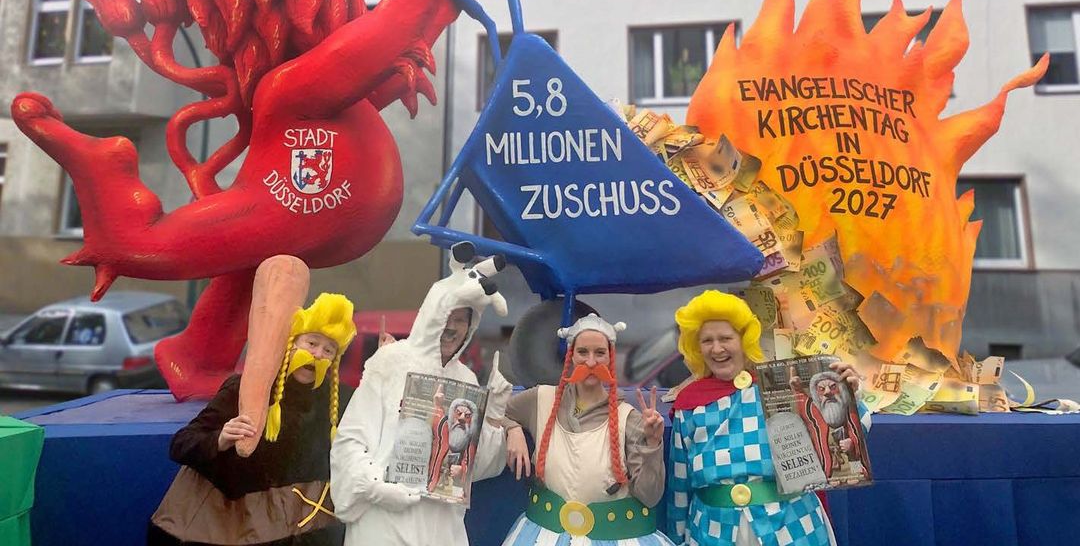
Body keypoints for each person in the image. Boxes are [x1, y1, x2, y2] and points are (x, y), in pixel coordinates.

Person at [330, 244, 512, 546]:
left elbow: (476, 468)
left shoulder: (465, 379)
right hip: (386, 521)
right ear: (432, 315)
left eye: (462, 320)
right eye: (448, 316)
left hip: (441, 527)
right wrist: (376, 486)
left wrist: (493, 414)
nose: (452, 328)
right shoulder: (390, 362)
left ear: (471, 325)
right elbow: (349, 441)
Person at [148, 292, 357, 546]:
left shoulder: (338, 400)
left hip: (303, 532)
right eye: (311, 343)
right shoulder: (244, 388)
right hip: (230, 529)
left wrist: (387, 362)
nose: (317, 354)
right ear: (291, 343)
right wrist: (220, 439)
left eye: (329, 350)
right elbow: (181, 444)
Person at [666, 290, 868, 546]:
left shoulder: (781, 388)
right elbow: (679, 484)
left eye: (726, 338)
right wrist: (676, 538)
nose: (717, 348)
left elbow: (841, 435)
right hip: (713, 532)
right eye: (707, 340)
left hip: (790, 527)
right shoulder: (689, 403)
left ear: (744, 340)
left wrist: (851, 395)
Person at [501, 313, 676, 546]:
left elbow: (650, 496)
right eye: (583, 352)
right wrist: (512, 428)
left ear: (610, 358)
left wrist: (653, 444)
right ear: (570, 356)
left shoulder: (629, 419)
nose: (591, 362)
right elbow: (493, 410)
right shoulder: (540, 399)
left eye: (599, 353)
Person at [791, 368, 868, 482]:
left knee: (858, 476)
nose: (827, 392)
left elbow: (862, 423)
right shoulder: (814, 414)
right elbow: (803, 403)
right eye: (822, 389)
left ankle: (856, 473)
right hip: (831, 467)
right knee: (832, 478)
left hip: (852, 463)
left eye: (833, 387)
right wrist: (796, 389)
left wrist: (852, 442)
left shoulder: (849, 411)